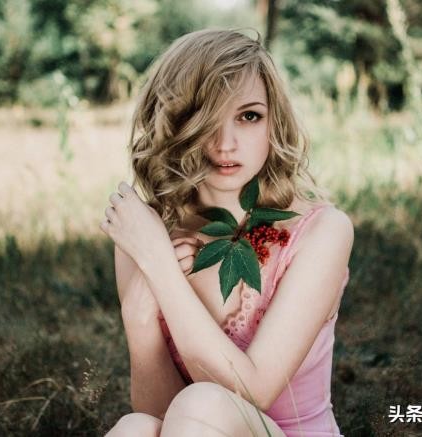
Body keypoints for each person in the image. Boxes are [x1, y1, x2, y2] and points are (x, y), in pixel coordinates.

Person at [100, 29, 353, 437]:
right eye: (205, 118)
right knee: (136, 428)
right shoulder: (146, 235)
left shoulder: (323, 231)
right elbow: (162, 415)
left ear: (274, 122)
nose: (225, 144)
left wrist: (162, 268)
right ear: (174, 123)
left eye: (248, 116)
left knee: (202, 404)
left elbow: (255, 391)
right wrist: (139, 317)